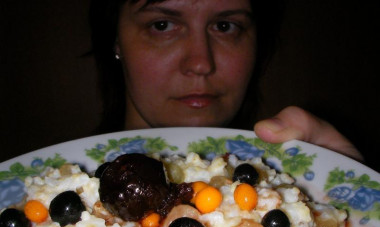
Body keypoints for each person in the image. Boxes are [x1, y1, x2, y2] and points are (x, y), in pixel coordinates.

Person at [89, 0, 363, 162]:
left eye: (225, 26)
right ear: (115, 39)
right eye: (162, 25)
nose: (201, 63)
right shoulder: (53, 197)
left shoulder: (294, 188)